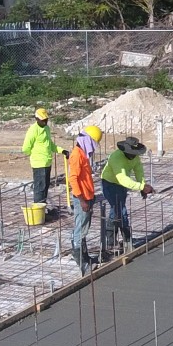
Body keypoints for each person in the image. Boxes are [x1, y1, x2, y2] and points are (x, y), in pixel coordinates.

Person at [100, 136, 154, 257]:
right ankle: (121, 240)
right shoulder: (116, 158)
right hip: (109, 183)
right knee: (120, 210)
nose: (133, 156)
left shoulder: (135, 157)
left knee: (118, 210)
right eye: (131, 154)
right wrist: (141, 187)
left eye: (135, 154)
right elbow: (123, 179)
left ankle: (119, 240)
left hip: (121, 186)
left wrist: (142, 184)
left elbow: (138, 170)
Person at [68, 125, 102, 275]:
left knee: (84, 228)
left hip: (87, 196)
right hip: (81, 198)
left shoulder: (82, 154)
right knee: (80, 230)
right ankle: (82, 263)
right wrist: (82, 200)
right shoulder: (77, 155)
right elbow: (73, 179)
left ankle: (86, 258)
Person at [22, 108, 67, 209]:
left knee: (45, 187)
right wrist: (34, 155)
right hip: (38, 164)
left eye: (46, 120)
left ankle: (43, 209)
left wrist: (62, 150)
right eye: (43, 120)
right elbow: (25, 148)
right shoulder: (33, 130)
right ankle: (38, 210)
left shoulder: (46, 129)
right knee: (40, 188)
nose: (45, 122)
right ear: (36, 119)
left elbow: (50, 144)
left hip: (47, 163)